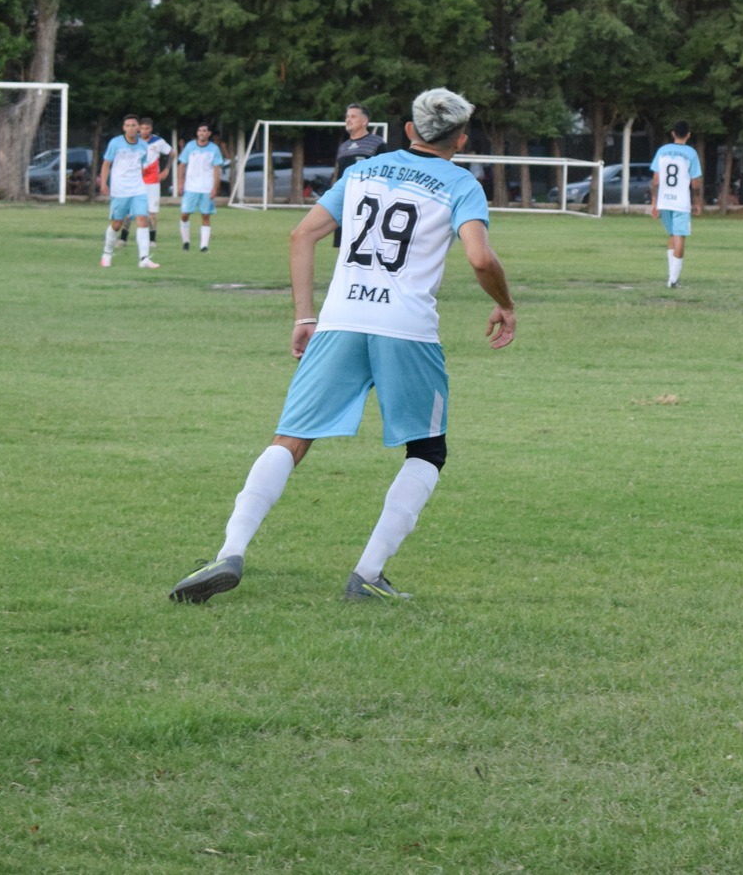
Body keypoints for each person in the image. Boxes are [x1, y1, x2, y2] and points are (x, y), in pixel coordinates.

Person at [169, 87, 515, 605]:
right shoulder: (460, 182)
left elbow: (302, 236)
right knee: (426, 448)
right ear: (461, 139)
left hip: (341, 317)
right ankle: (369, 574)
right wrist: (505, 304)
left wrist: (305, 315)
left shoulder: (362, 171)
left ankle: (230, 550)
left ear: (407, 130)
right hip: (406, 328)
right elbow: (480, 259)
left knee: (292, 436)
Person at [100, 116, 158, 269]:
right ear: (124, 128)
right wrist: (104, 183)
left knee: (142, 219)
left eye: (134, 125)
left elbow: (141, 166)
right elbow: (107, 164)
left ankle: (144, 259)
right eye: (128, 125)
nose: (131, 128)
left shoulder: (143, 146)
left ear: (138, 127)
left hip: (138, 189)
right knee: (117, 224)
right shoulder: (116, 143)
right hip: (120, 190)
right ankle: (107, 252)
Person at [651, 122, 704, 287]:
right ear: (688, 134)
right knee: (680, 237)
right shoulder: (691, 153)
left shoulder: (662, 151)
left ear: (673, 133)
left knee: (672, 235)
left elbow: (655, 180)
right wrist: (697, 202)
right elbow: (695, 183)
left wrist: (654, 203)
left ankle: (671, 274)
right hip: (681, 201)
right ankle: (673, 280)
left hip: (665, 200)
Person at [331, 103, 387, 248]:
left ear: (364, 121)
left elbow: (386, 174)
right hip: (347, 203)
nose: (348, 119)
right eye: (347, 117)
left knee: (368, 245)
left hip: (369, 204)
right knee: (345, 247)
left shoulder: (377, 143)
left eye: (353, 116)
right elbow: (339, 177)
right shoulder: (343, 147)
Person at [176, 123, 229, 252]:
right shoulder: (190, 146)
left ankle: (204, 246)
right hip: (191, 187)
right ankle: (186, 242)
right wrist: (180, 183)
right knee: (184, 214)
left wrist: (215, 188)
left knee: (205, 215)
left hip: (206, 187)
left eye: (205, 131)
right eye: (200, 130)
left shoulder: (214, 149)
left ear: (209, 134)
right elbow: (182, 165)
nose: (202, 133)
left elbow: (217, 169)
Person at [139, 118, 173, 227]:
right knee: (131, 211)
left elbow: (172, 153)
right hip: (136, 180)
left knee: (151, 212)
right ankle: (123, 238)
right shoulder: (133, 141)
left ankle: (152, 239)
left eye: (147, 128)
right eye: (142, 128)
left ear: (151, 129)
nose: (144, 131)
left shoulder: (158, 141)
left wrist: (166, 169)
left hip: (152, 180)